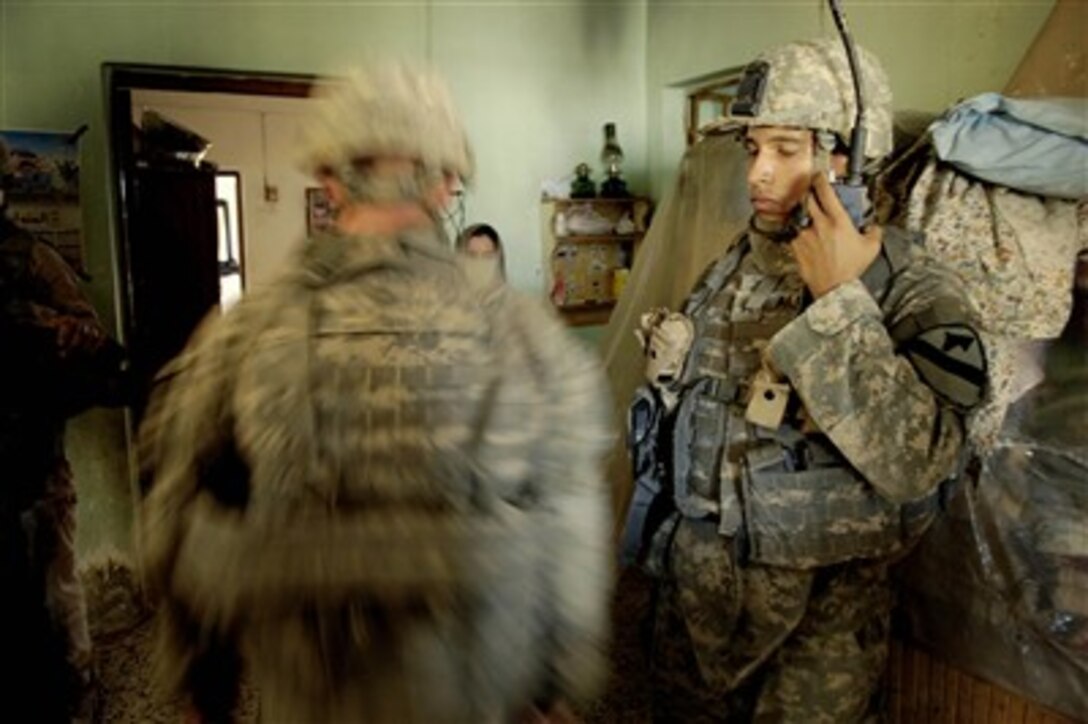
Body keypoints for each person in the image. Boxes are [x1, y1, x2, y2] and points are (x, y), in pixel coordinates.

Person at [139, 63, 613, 723]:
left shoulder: (243, 335)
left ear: (329, 178)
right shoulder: (527, 336)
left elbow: (175, 520)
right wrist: (554, 685)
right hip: (476, 695)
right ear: (449, 183)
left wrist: (202, 686)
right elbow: (572, 522)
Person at [622, 39, 988, 722]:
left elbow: (923, 461)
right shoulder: (735, 265)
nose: (758, 173)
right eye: (753, 149)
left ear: (847, 158)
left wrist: (840, 299)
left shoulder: (910, 285)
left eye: (786, 150)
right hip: (697, 595)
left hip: (817, 621)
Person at [1, 138, 124, 721]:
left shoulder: (28, 258)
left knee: (56, 593)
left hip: (33, 459)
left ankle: (79, 695)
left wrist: (32, 322)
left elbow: (92, 339)